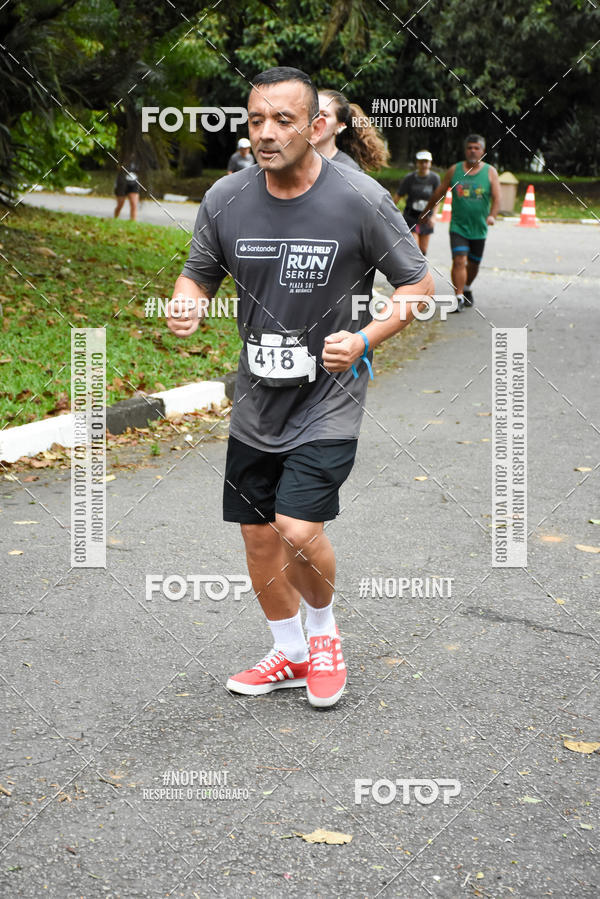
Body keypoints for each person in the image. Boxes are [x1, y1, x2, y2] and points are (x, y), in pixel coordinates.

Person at [167, 66, 434, 709]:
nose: (266, 133)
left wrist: (365, 339)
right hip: (256, 399)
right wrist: (186, 304)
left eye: (282, 120)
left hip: (329, 398)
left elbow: (418, 287)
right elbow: (197, 274)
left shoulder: (359, 197)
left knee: (294, 528)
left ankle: (323, 636)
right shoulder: (226, 198)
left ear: (316, 126)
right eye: (256, 120)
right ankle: (286, 651)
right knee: (258, 536)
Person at [424, 134, 500, 310]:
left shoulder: (490, 172)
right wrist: (427, 211)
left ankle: (466, 288)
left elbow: (497, 198)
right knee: (459, 260)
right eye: (469, 148)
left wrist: (492, 216)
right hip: (458, 226)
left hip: (479, 228)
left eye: (476, 148)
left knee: (474, 264)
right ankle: (458, 297)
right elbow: (439, 192)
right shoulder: (455, 170)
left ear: (482, 151)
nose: (473, 151)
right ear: (465, 150)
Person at [314, 89, 389, 172]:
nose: (316, 119)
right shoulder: (298, 162)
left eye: (324, 115)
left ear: (339, 126)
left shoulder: (348, 171)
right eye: (312, 112)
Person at [394, 151, 440, 256]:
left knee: (423, 250)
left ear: (430, 163)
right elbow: (398, 196)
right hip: (411, 216)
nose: (424, 165)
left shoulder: (434, 178)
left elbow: (437, 199)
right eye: (421, 162)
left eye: (426, 162)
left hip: (426, 217)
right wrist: (388, 211)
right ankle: (413, 270)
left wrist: (434, 217)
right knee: (414, 248)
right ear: (417, 163)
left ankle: (420, 269)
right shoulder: (409, 178)